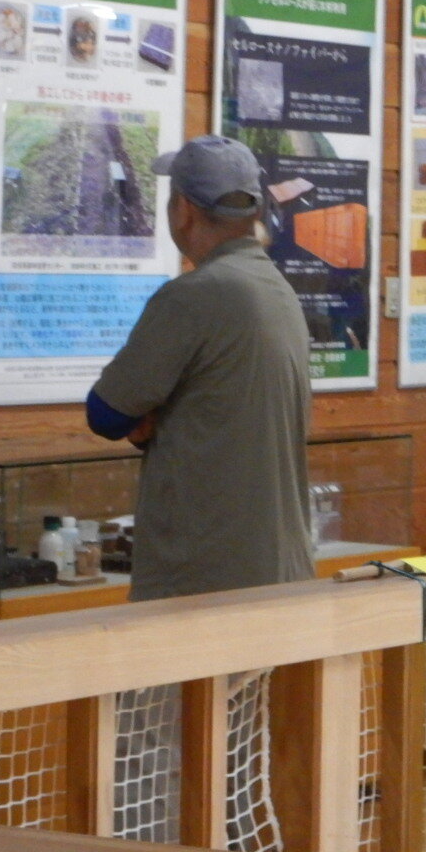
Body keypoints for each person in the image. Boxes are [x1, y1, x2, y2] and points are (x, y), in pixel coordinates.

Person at [86, 134, 314, 601]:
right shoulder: (277, 289)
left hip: (204, 578)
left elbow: (106, 414)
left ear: (184, 209)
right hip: (279, 570)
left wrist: (150, 415)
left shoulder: (194, 295)